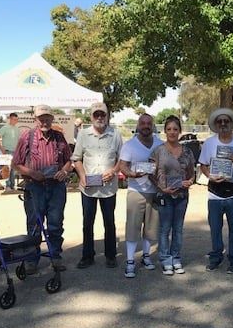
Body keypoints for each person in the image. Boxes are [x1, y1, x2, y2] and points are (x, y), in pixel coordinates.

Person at [12, 105, 73, 274]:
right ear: (35, 120)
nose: (45, 121)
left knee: (55, 223)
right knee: (34, 224)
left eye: (47, 118)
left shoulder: (59, 137)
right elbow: (16, 163)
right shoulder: (27, 137)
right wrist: (32, 173)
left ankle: (55, 256)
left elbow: (69, 160)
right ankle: (32, 259)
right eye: (41, 118)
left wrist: (64, 171)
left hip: (56, 187)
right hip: (35, 187)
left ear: (52, 119)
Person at [73, 102, 123, 269]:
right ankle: (88, 256)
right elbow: (77, 158)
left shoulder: (115, 134)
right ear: (91, 117)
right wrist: (82, 176)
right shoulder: (83, 135)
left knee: (109, 222)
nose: (100, 117)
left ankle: (110, 255)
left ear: (107, 116)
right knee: (88, 222)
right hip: (88, 188)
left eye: (103, 114)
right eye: (96, 115)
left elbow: (121, 159)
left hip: (109, 188)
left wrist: (114, 171)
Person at [199, 108, 233, 273]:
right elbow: (203, 165)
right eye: (220, 121)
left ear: (232, 123)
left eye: (226, 121)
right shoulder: (209, 143)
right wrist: (209, 176)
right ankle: (216, 257)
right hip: (214, 192)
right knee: (215, 228)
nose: (223, 124)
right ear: (216, 124)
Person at [150, 115, 196, 276]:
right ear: (165, 131)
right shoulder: (158, 151)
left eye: (175, 129)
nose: (172, 132)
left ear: (180, 131)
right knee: (164, 229)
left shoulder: (187, 152)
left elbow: (192, 174)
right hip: (164, 195)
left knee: (178, 229)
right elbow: (150, 173)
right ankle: (165, 258)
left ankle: (176, 257)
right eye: (169, 129)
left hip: (182, 196)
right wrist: (161, 187)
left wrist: (189, 182)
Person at [118, 113, 163, 278]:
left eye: (148, 123)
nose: (145, 126)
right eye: (142, 123)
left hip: (154, 191)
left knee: (151, 228)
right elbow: (123, 165)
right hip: (136, 190)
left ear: (152, 125)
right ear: (138, 125)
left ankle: (146, 256)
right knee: (133, 227)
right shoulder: (130, 145)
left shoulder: (160, 144)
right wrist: (131, 174)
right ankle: (130, 261)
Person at [0, 112, 21, 192]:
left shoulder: (17, 129)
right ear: (10, 119)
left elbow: (18, 140)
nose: (15, 121)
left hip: (15, 151)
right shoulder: (5, 128)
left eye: (17, 119)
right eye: (14, 119)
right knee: (7, 168)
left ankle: (12, 186)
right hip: (7, 151)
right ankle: (7, 186)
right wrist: (1, 147)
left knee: (13, 169)